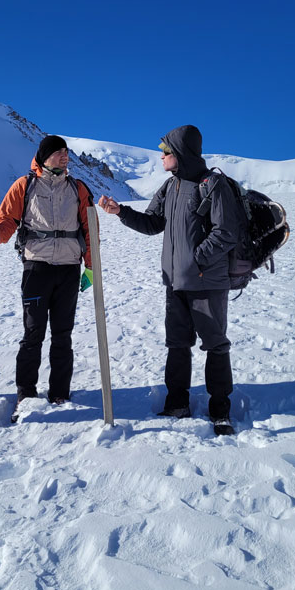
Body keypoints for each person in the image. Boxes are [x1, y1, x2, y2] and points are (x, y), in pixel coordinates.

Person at [98, 125, 238, 435]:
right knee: (177, 343)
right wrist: (120, 212)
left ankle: (220, 410)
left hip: (206, 282)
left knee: (215, 344)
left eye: (166, 150)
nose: (161, 156)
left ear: (181, 152)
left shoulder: (212, 185)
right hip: (175, 282)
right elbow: (152, 224)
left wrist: (195, 260)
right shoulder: (170, 187)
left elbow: (226, 232)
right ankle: (177, 403)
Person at [0, 135, 94, 409]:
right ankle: (26, 392)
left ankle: (59, 392)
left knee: (63, 334)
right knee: (33, 334)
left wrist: (91, 267)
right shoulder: (25, 185)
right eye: (58, 152)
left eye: (66, 152)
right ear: (44, 156)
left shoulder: (77, 188)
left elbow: (90, 228)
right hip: (37, 267)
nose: (65, 157)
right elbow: (8, 218)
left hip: (68, 268)